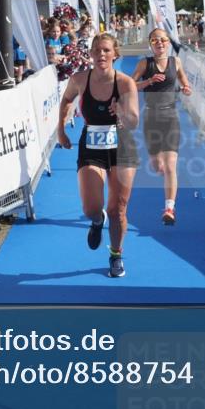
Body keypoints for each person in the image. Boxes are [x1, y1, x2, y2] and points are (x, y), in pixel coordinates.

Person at [56, 34, 139, 278]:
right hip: (91, 146)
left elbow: (134, 121)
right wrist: (61, 129)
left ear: (115, 54)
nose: (101, 55)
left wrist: (121, 112)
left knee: (118, 210)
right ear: (90, 54)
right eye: (96, 51)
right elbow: (65, 100)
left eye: (106, 50)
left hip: (122, 147)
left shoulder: (125, 83)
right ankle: (95, 220)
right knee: (92, 207)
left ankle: (116, 254)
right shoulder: (79, 79)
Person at [131, 28, 192, 226]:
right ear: (150, 43)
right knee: (158, 165)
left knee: (170, 166)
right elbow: (129, 85)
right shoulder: (145, 63)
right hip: (151, 117)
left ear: (168, 43)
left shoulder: (176, 62)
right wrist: (148, 81)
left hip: (171, 116)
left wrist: (186, 87)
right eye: (155, 40)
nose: (160, 43)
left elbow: (184, 80)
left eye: (163, 40)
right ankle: (158, 163)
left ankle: (169, 208)